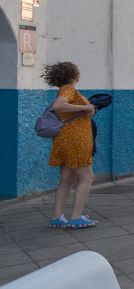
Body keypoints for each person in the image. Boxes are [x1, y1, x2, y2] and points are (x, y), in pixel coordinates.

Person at [43, 61, 96, 229]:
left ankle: (57, 216)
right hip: (75, 140)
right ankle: (76, 216)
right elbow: (58, 105)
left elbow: (65, 108)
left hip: (65, 139)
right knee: (86, 177)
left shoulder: (64, 89)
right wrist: (86, 106)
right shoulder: (68, 89)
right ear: (74, 75)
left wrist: (86, 110)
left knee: (67, 179)